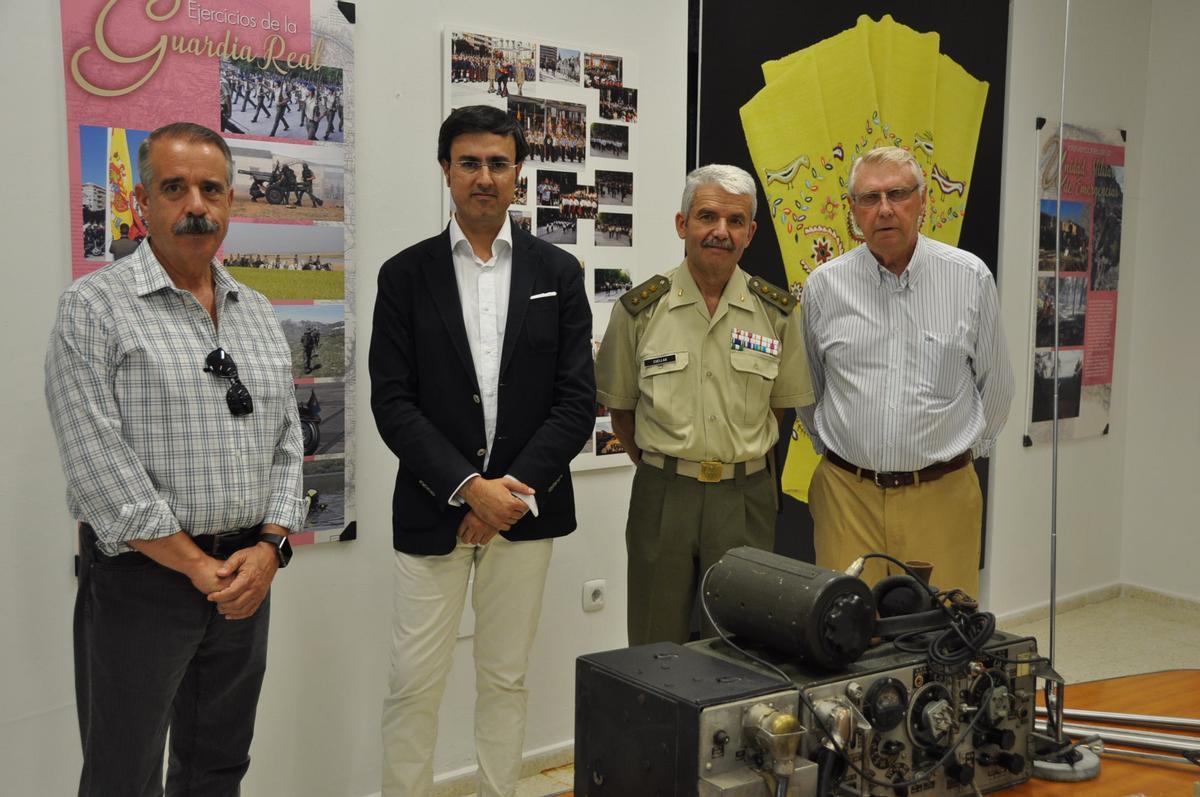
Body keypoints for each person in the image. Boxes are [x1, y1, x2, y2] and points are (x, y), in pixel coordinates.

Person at [45, 122, 303, 795]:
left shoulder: (257, 310)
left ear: (229, 203)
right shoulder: (93, 308)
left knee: (217, 765)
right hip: (143, 584)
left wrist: (272, 545)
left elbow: (287, 440)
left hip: (246, 575)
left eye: (211, 189)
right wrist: (198, 566)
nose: (197, 204)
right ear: (143, 205)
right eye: (175, 187)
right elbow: (97, 466)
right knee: (122, 775)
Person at [370, 105, 594, 797]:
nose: (485, 177)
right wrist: (471, 488)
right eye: (469, 163)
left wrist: (507, 494)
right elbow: (393, 403)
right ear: (446, 170)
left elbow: (575, 402)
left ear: (518, 173)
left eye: (499, 163)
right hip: (435, 509)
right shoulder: (405, 275)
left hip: (525, 512)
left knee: (505, 676)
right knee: (413, 682)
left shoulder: (558, 269)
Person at [594, 164, 813, 646]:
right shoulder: (639, 311)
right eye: (707, 216)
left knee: (743, 643)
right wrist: (671, 459)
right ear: (682, 224)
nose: (720, 231)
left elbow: (778, 410)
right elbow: (623, 412)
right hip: (664, 494)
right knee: (655, 644)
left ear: (751, 232)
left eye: (735, 221)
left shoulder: (776, 313)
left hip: (746, 496)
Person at [798, 146, 1014, 597]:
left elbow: (995, 384)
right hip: (846, 497)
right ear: (852, 211)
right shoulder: (824, 287)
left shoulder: (969, 278)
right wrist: (835, 447)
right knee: (843, 633)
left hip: (942, 495)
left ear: (922, 201)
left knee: (944, 637)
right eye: (869, 198)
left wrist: (959, 456)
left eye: (897, 194)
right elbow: (809, 387)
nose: (885, 210)